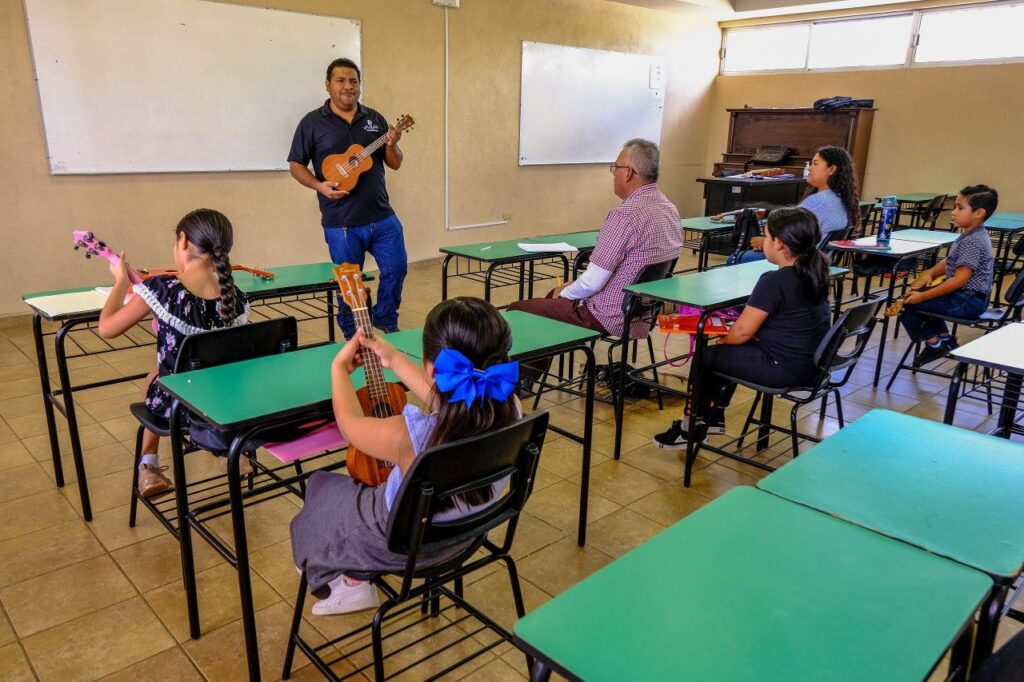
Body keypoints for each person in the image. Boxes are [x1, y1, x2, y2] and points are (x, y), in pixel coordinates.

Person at [290, 297, 521, 615]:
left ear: (430, 368)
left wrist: (339, 371)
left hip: (402, 547)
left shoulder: (410, 436)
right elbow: (451, 399)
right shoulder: (510, 408)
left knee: (319, 487)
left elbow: (351, 425)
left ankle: (351, 582)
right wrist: (394, 360)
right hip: (468, 536)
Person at [97, 209, 249, 497]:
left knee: (156, 376)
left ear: (182, 240)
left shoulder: (164, 290)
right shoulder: (236, 296)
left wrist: (120, 281)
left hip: (179, 406)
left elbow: (106, 329)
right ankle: (228, 451)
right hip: (225, 403)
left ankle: (149, 466)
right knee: (185, 371)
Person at [654, 207, 832, 448]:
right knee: (732, 352)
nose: (764, 242)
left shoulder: (774, 280)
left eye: (767, 237)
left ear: (778, 243)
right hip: (814, 366)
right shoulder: (816, 273)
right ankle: (714, 416)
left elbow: (741, 332)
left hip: (785, 368)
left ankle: (690, 428)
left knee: (707, 356)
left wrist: (724, 340)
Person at [508, 138, 683, 339]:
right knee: (550, 301)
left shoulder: (625, 215)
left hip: (607, 315)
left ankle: (517, 371)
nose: (613, 173)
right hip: (641, 317)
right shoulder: (669, 209)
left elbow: (592, 283)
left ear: (628, 173)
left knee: (518, 310)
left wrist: (563, 292)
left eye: (615, 168)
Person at [288, 57, 407, 337]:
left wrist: (393, 145)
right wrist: (319, 186)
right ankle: (352, 333)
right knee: (349, 283)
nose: (348, 86)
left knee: (397, 269)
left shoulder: (374, 119)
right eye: (341, 80)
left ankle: (386, 320)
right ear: (328, 85)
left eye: (353, 81)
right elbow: (296, 164)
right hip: (341, 222)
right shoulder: (312, 123)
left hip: (382, 215)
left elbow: (395, 162)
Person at [899, 184, 997, 367]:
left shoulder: (973, 240)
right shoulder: (970, 234)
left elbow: (960, 279)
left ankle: (935, 345)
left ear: (979, 213)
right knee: (925, 302)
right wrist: (929, 273)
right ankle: (946, 340)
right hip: (969, 299)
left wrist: (923, 295)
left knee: (907, 305)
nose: (953, 212)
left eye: (960, 208)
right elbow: (950, 262)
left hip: (968, 301)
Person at [731, 145, 860, 264]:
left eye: (815, 164)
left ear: (831, 169)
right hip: (820, 260)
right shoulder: (841, 199)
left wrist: (764, 242)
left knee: (734, 259)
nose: (809, 168)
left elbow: (789, 235)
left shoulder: (818, 201)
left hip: (798, 260)